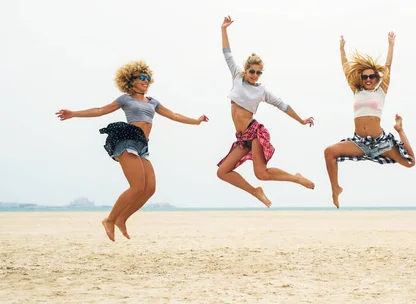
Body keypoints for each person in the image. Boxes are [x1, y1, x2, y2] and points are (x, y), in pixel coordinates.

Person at [56, 61, 208, 241]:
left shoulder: (153, 102)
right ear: (130, 80)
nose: (145, 80)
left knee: (149, 189)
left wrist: (196, 121)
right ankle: (109, 219)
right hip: (127, 141)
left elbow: (173, 115)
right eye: (141, 77)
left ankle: (121, 219)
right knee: (136, 187)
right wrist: (73, 113)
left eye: (148, 78)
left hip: (142, 145)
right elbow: (100, 110)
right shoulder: (125, 99)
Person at [217, 16, 315, 208]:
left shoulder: (261, 91)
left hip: (254, 133)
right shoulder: (237, 76)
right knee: (222, 172)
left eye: (258, 73)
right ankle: (255, 191)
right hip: (242, 137)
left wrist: (301, 120)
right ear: (246, 70)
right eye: (252, 71)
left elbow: (283, 105)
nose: (255, 75)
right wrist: (224, 30)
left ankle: (297, 178)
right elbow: (227, 53)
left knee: (261, 173)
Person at [324, 32, 415, 208]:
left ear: (376, 78)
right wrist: (342, 49)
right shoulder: (357, 91)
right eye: (364, 77)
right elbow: (346, 69)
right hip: (359, 143)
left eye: (371, 76)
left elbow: (388, 66)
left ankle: (400, 129)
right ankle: (335, 188)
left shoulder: (381, 91)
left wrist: (391, 45)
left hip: (380, 143)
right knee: (329, 152)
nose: (368, 79)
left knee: (410, 162)